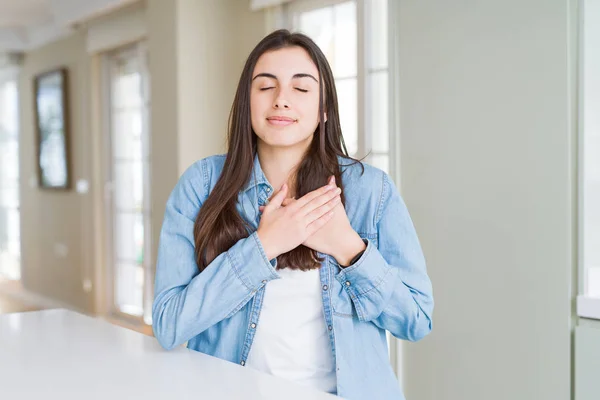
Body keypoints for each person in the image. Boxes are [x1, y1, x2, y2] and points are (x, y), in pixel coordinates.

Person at [152, 29, 433, 400]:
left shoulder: (371, 190)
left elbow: (416, 320)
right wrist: (263, 246)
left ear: (324, 109)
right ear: (246, 103)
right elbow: (169, 325)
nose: (282, 100)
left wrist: (350, 248)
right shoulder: (202, 185)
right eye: (266, 87)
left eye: (301, 89)